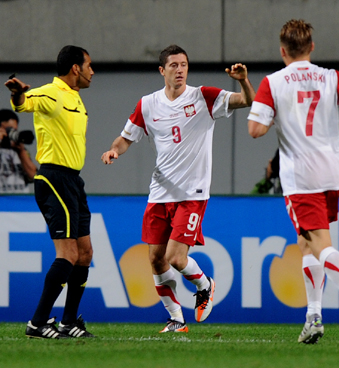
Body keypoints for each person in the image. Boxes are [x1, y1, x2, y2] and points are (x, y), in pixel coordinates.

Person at [101, 44, 255, 333]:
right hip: (160, 192)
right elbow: (125, 137)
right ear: (162, 70)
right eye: (173, 65)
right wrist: (114, 151)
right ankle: (176, 319)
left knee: (175, 258)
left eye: (184, 64)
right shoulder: (147, 104)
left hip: (192, 193)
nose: (180, 70)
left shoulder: (203, 97)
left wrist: (244, 80)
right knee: (156, 260)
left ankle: (205, 284)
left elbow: (248, 101)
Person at [247, 19, 339, 345]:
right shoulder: (331, 76)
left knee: (319, 243)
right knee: (308, 244)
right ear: (311, 47)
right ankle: (313, 316)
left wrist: (274, 115)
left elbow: (255, 130)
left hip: (300, 176)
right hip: (331, 172)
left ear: (282, 51)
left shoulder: (273, 82)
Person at [4, 45, 95, 338]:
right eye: (89, 65)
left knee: (84, 253)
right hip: (53, 178)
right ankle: (38, 322)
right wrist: (18, 93)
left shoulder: (76, 99)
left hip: (73, 181)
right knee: (67, 253)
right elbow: (23, 103)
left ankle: (68, 321)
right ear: (75, 68)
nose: (92, 71)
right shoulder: (51, 93)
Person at [0, 109, 37, 193]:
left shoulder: (20, 150)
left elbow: (33, 176)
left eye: (14, 130)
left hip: (19, 200)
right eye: (8, 130)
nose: (11, 133)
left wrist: (21, 151)